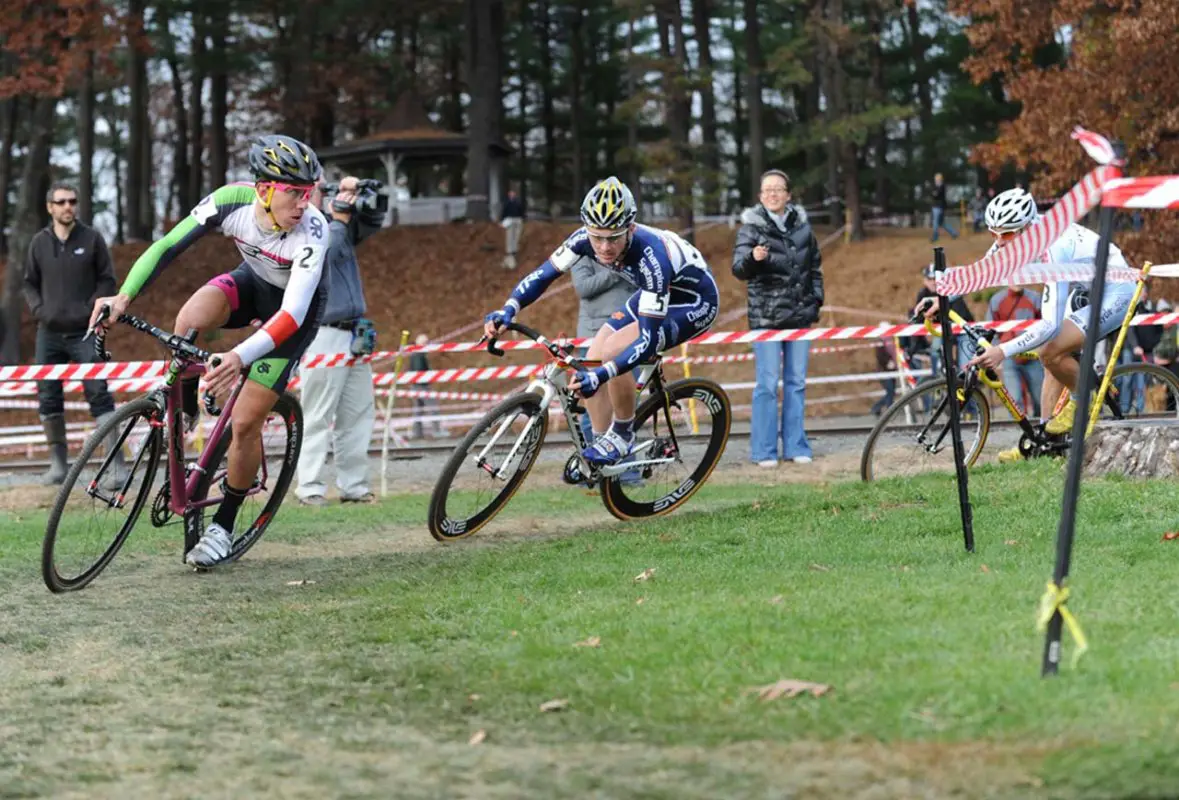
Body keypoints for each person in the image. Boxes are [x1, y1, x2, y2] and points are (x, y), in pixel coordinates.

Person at [90, 134, 330, 567]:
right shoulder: (229, 201)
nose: (304, 203)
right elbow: (166, 247)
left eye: (309, 192)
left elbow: (292, 313)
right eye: (294, 192)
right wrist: (122, 298)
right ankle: (183, 411)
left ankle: (224, 524)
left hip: (293, 316)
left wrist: (239, 357)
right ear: (263, 189)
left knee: (244, 423)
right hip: (253, 282)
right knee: (187, 320)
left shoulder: (314, 229)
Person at [483, 176, 719, 467]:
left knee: (614, 352)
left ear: (630, 229)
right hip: (652, 294)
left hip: (693, 302)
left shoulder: (652, 258)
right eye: (597, 237)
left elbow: (645, 342)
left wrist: (601, 377)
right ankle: (598, 450)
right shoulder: (584, 238)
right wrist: (509, 308)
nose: (604, 247)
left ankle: (622, 435)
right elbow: (543, 275)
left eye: (613, 237)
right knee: (592, 357)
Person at [921, 187, 1138, 462]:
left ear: (1026, 228)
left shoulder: (1053, 247)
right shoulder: (1013, 235)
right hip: (1087, 289)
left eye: (1007, 234)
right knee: (1052, 366)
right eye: (993, 233)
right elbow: (982, 273)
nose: (999, 242)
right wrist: (941, 300)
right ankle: (1043, 444)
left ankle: (1086, 397)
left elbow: (1049, 324)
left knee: (1049, 351)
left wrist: (1003, 351)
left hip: (1116, 292)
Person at [23, 183, 126, 486]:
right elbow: (29, 283)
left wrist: (90, 311)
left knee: (99, 394)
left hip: (86, 332)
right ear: (50, 207)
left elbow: (108, 280)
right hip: (49, 333)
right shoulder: (38, 243)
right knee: (48, 397)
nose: (68, 206)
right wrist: (40, 310)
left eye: (72, 201)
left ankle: (116, 467)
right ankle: (58, 467)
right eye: (61, 202)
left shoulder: (92, 239)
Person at [294, 177, 381, 506]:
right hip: (324, 332)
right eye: (321, 187)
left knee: (358, 414)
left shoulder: (335, 225)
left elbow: (372, 222)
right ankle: (311, 489)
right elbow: (327, 251)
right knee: (317, 414)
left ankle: (354, 487)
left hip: (354, 332)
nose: (327, 192)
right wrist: (341, 218)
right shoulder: (303, 230)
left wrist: (363, 198)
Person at [732, 169, 824, 467]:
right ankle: (764, 450)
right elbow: (738, 269)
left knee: (796, 382)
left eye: (778, 189)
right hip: (766, 318)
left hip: (800, 316)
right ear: (760, 196)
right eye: (767, 190)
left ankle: (797, 446)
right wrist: (752, 259)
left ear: (788, 194)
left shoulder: (804, 229)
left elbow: (815, 269)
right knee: (768, 384)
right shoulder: (750, 228)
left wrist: (816, 300)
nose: (772, 194)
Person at [571, 252, 640, 483]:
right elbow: (583, 287)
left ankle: (628, 474)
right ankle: (591, 471)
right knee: (594, 411)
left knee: (627, 406)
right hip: (592, 336)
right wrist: (615, 270)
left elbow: (645, 283)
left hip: (628, 334)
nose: (606, 245)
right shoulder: (582, 256)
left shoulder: (633, 251)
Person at [986, 286, 1044, 417]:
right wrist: (996, 352)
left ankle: (1042, 428)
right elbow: (990, 330)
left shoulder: (1035, 298)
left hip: (1032, 355)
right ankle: (1018, 433)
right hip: (1009, 356)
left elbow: (1046, 325)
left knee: (1040, 399)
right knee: (1014, 400)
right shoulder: (996, 300)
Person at [930, 173, 958, 242]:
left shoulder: (941, 186)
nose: (936, 180)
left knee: (935, 222)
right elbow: (933, 194)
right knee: (942, 223)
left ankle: (935, 237)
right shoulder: (937, 186)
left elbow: (936, 195)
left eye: (937, 179)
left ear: (940, 179)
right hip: (937, 206)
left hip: (938, 207)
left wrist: (934, 193)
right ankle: (954, 233)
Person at [501, 188, 525, 270]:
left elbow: (521, 211)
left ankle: (515, 249)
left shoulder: (518, 202)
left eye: (513, 194)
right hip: (510, 220)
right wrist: (503, 220)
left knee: (517, 235)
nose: (512, 195)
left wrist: (523, 218)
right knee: (510, 235)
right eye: (511, 194)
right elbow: (504, 212)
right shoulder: (507, 203)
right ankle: (510, 250)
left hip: (517, 220)